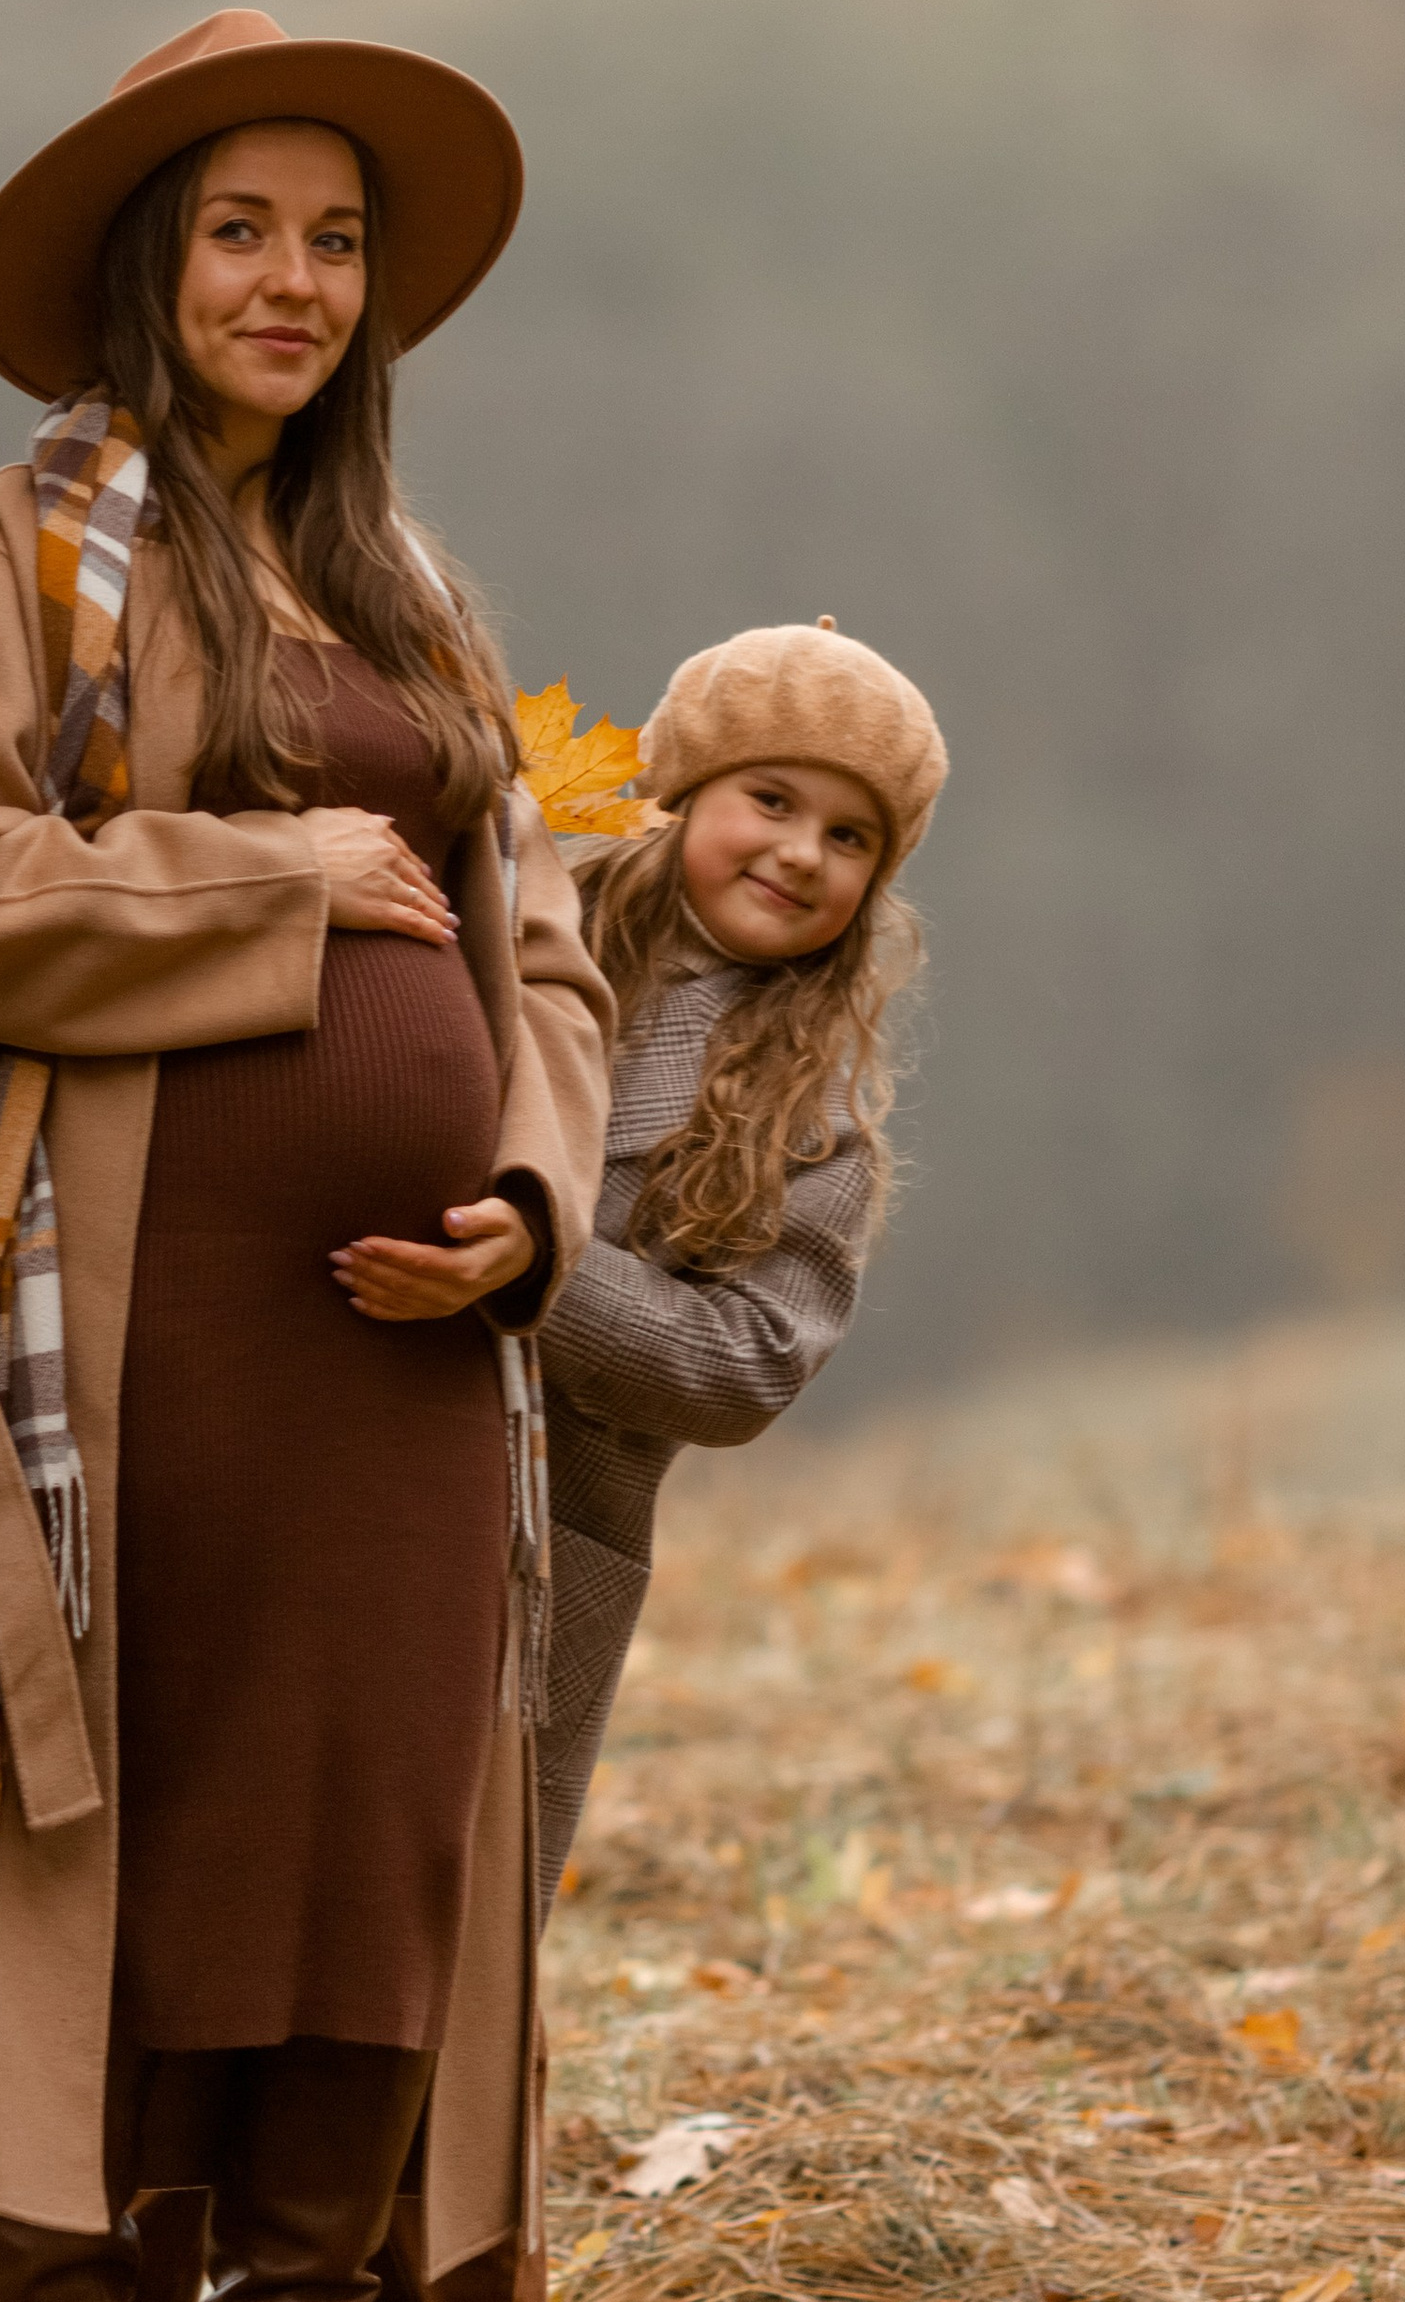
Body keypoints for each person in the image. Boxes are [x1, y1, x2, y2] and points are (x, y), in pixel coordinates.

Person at [0, 10, 612, 2302]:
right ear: (152, 261)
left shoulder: (411, 592)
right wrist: (268, 886)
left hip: (407, 1386)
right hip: (145, 1342)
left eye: (337, 240)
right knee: (149, 1878)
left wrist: (533, 1207)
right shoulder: (24, 550)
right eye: (243, 231)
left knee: (381, 1863)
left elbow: (539, 939)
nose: (294, 279)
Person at [513, 621, 949, 1912]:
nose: (800, 851)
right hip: (354, 1475)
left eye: (849, 835)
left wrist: (541, 1267)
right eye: (770, 798)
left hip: (547, 1534)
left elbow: (743, 1365)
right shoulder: (507, 935)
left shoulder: (814, 1119)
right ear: (676, 793)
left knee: (451, 1926)